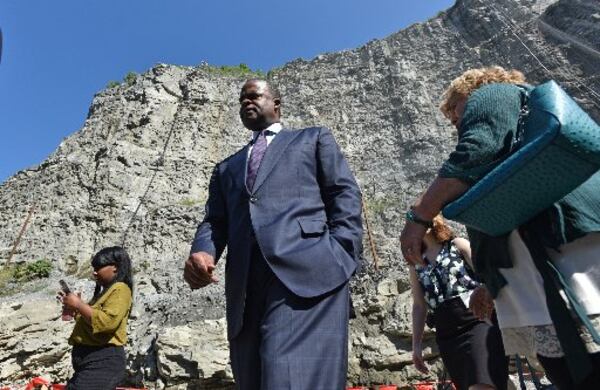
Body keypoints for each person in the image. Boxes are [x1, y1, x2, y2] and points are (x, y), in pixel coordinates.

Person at [400, 66, 600, 389]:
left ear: (472, 89)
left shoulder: (490, 95)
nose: (455, 120)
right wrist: (492, 286)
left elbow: (477, 150)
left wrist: (419, 216)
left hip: (568, 261)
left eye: (454, 108)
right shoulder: (517, 112)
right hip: (549, 265)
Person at [183, 79, 363, 390]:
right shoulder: (226, 168)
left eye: (253, 96)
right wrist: (203, 251)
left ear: (276, 103)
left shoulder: (312, 138)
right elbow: (215, 221)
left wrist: (341, 253)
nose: (245, 102)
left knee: (288, 377)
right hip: (244, 289)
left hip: (309, 274)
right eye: (241, 99)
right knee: (253, 378)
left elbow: (343, 193)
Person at [410, 215, 507, 390]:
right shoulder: (416, 264)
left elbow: (488, 275)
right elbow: (419, 306)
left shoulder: (457, 245)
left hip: (477, 320)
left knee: (482, 383)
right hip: (447, 335)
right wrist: (416, 345)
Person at [59, 246, 133, 390]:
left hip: (103, 360)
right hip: (90, 359)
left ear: (115, 267)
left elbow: (107, 322)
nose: (94, 272)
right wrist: (75, 309)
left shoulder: (120, 289)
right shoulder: (107, 291)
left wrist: (79, 305)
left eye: (98, 267)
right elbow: (93, 322)